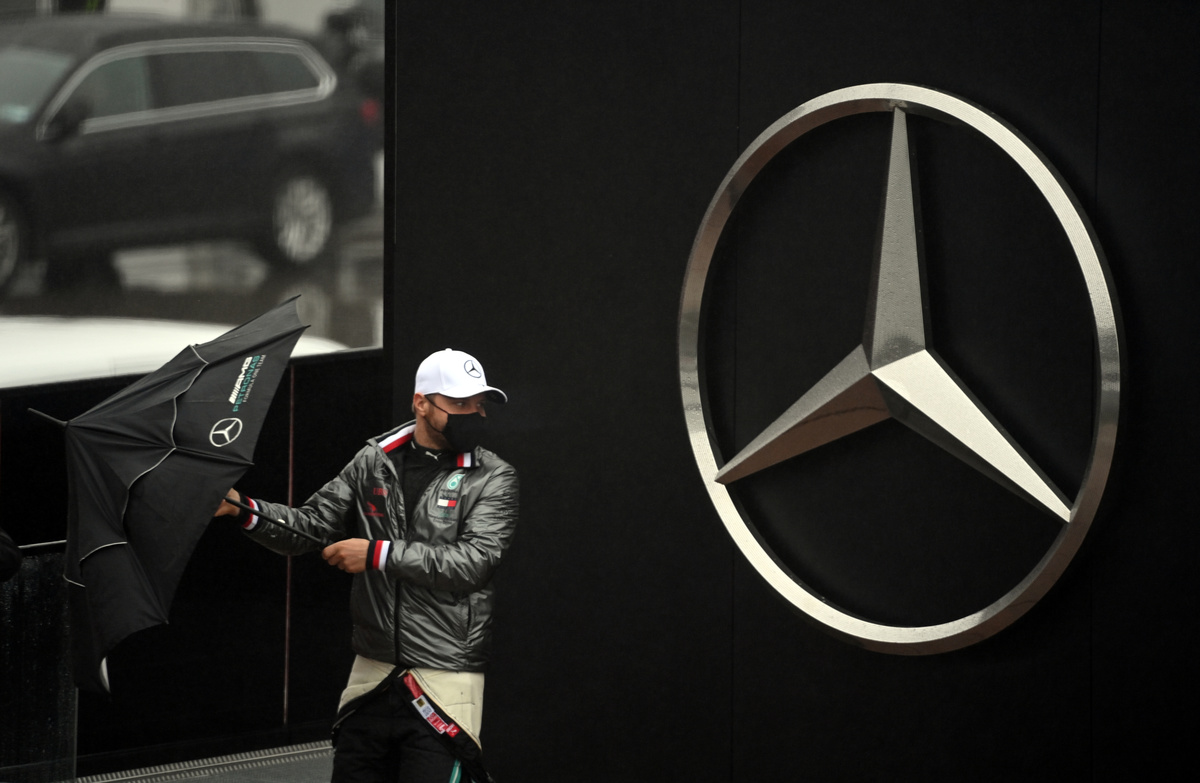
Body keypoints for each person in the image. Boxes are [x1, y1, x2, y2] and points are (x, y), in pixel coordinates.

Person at [215, 348, 517, 782]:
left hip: (446, 676)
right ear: (421, 403)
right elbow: (312, 525)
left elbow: (474, 563)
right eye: (459, 403)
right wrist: (243, 508)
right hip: (372, 671)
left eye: (479, 403)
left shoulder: (494, 476)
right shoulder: (374, 460)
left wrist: (377, 553)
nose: (474, 413)